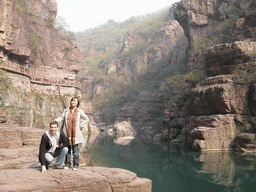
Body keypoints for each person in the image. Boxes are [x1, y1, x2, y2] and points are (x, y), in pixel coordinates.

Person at [55, 97, 89, 171]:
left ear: (77, 103)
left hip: (75, 134)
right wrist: (55, 121)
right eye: (72, 101)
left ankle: (76, 164)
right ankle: (67, 164)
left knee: (75, 150)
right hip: (66, 133)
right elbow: (61, 118)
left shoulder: (80, 112)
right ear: (70, 102)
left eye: (75, 101)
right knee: (67, 149)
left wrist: (80, 126)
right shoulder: (66, 111)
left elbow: (86, 119)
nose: (73, 102)